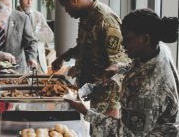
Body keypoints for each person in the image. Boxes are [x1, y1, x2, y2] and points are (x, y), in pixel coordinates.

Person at [68, 8, 179, 136]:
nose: (122, 44)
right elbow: (140, 66)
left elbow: (126, 133)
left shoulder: (148, 89)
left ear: (145, 39)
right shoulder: (157, 50)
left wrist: (85, 111)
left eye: (127, 39)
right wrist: (119, 67)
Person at [52, 0, 130, 124]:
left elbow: (120, 63)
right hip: (92, 94)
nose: (67, 12)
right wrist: (64, 56)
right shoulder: (87, 17)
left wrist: (113, 106)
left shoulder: (105, 19)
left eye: (66, 7)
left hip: (106, 100)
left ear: (74, 0)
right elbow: (84, 47)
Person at [0, 0, 38, 73]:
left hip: (17, 69)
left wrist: (31, 58)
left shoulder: (22, 18)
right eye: (2, 5)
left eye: (8, 4)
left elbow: (31, 41)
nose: (6, 8)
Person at [16, 0, 54, 72]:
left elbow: (50, 36)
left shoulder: (38, 15)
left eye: (31, 0)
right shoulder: (14, 15)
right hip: (21, 60)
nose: (29, 2)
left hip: (39, 61)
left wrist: (35, 34)